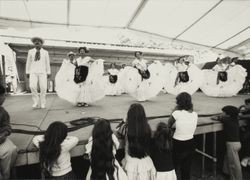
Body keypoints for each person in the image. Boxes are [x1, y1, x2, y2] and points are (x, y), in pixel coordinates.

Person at [116, 103, 156, 180]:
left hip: (130, 163)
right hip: (145, 163)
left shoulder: (126, 128)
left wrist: (123, 121)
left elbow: (118, 131)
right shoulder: (147, 128)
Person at [168, 92, 198, 180]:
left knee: (174, 167)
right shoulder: (195, 114)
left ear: (179, 103)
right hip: (190, 141)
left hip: (178, 143)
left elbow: (168, 125)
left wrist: (174, 110)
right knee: (186, 169)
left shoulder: (177, 113)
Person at [212, 106, 242, 180]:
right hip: (237, 143)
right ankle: (226, 173)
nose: (222, 113)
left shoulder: (226, 119)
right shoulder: (235, 119)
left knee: (234, 164)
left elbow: (215, 118)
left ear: (227, 114)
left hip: (231, 144)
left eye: (223, 112)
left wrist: (220, 116)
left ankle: (236, 178)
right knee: (228, 159)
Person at [26, 37, 51, 109]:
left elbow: (47, 63)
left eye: (38, 41)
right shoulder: (30, 51)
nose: (36, 42)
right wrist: (27, 71)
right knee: (32, 86)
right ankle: (35, 102)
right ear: (34, 43)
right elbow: (28, 62)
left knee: (43, 88)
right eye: (35, 42)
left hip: (42, 72)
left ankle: (43, 103)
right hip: (33, 72)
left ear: (41, 43)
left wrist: (48, 72)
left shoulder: (45, 52)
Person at [0, 84, 18, 179]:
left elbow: (6, 126)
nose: (5, 98)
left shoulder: (2, 112)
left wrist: (4, 134)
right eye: (3, 95)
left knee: (12, 150)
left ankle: (5, 176)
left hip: (1, 141)